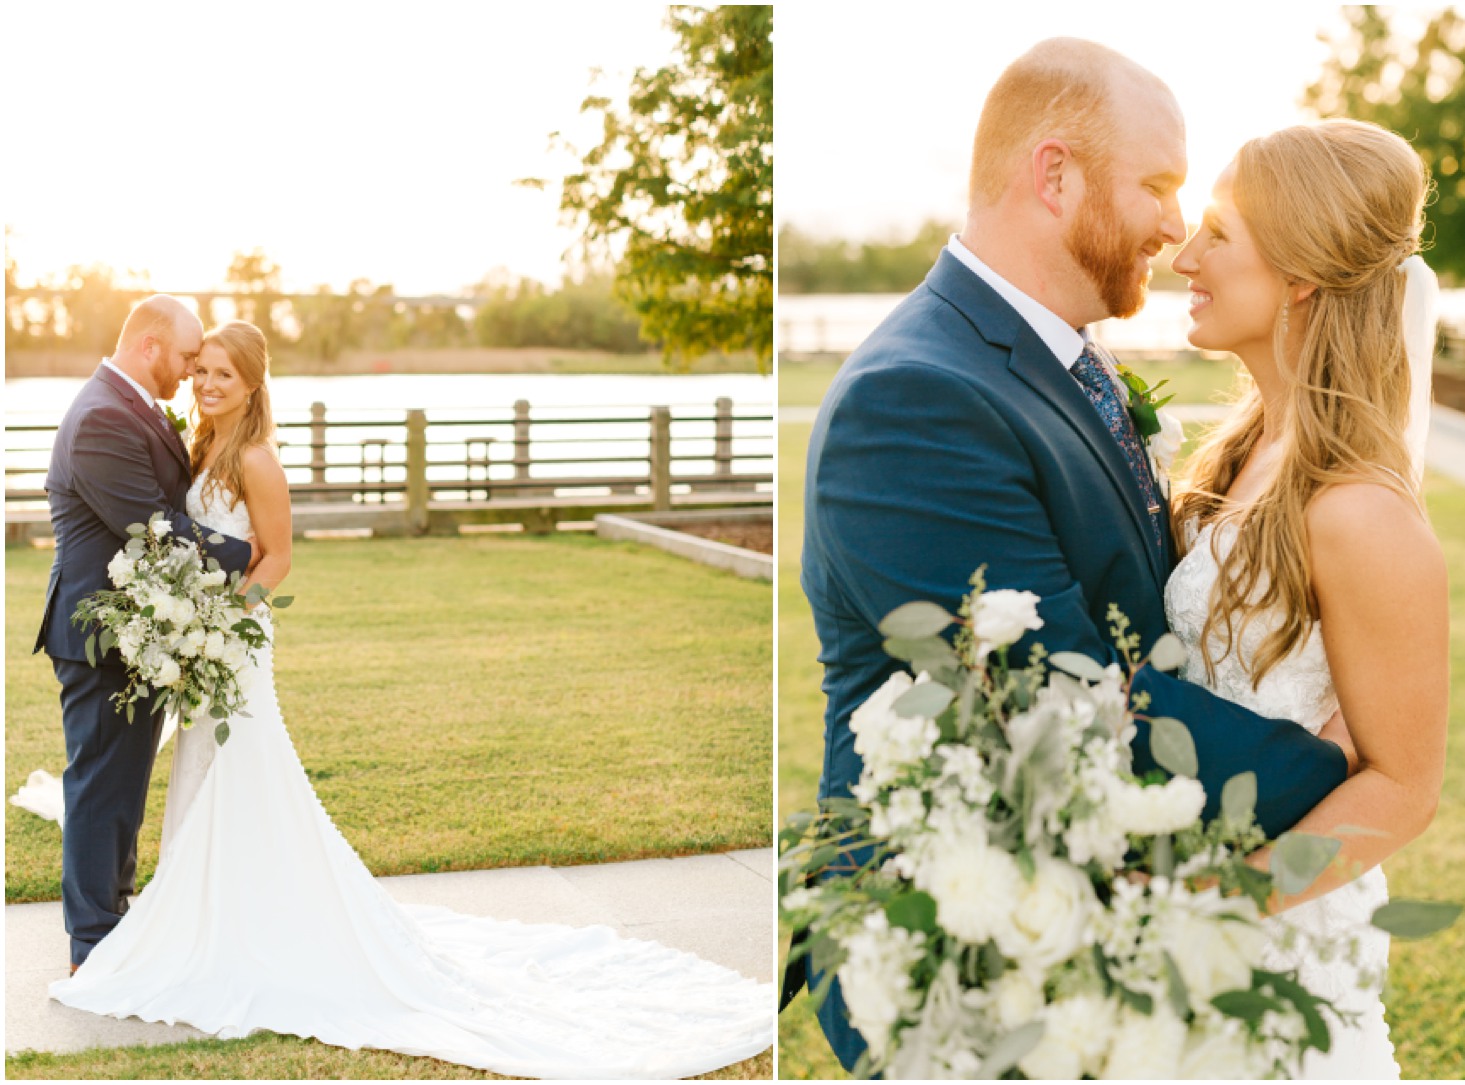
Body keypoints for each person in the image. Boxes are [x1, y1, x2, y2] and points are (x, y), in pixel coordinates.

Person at [789, 38, 1353, 1071]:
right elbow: (1064, 704)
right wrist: (1342, 768)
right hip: (962, 958)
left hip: (1087, 925)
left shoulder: (1069, 358)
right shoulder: (915, 397)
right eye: (1157, 185)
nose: (1177, 227)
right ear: (1054, 175)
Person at [41, 321, 773, 1078]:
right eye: (201, 371)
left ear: (254, 383)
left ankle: (234, 928)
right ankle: (195, 922)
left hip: (232, 649)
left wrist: (224, 623)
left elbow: (279, 556)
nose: (207, 382)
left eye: (223, 372)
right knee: (196, 786)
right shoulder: (199, 447)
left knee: (241, 781)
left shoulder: (256, 457)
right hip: (200, 646)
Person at [1164, 119, 1447, 1078]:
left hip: (1268, 939)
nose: (1183, 255)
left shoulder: (1359, 508)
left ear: (1299, 277)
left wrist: (1209, 907)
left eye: (1217, 233)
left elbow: (1403, 788)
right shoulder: (1238, 454)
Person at [33, 295, 255, 975]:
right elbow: (155, 527)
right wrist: (253, 552)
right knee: (101, 786)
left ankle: (113, 922)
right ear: (151, 347)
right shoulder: (103, 416)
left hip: (138, 632)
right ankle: (93, 945)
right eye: (188, 357)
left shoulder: (133, 405)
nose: (192, 372)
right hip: (102, 636)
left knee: (121, 784)